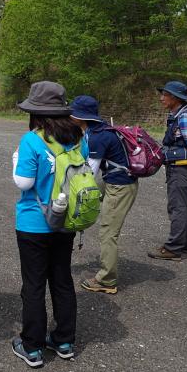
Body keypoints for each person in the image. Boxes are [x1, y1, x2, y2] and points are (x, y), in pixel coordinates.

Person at [11, 81, 86, 368]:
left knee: (33, 284)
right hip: (66, 221)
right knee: (62, 279)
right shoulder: (78, 137)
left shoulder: (32, 140)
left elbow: (24, 182)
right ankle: (64, 341)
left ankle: (32, 346)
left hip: (34, 222)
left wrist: (16, 160)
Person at [70, 96, 138, 294]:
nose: (70, 117)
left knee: (108, 232)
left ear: (81, 117)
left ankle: (107, 280)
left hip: (120, 187)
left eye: (72, 114)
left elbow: (89, 173)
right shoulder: (100, 129)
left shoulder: (98, 137)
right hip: (115, 180)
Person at [148, 81, 187, 261]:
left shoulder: (185, 117)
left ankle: (174, 248)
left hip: (181, 167)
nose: (161, 98)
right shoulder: (180, 114)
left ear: (175, 98)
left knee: (177, 207)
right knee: (185, 205)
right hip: (183, 166)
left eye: (165, 95)